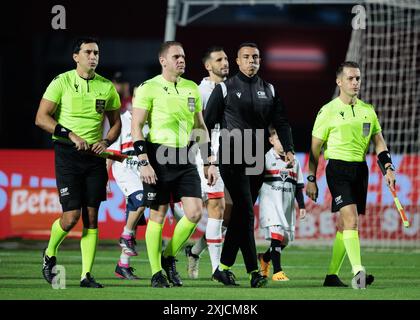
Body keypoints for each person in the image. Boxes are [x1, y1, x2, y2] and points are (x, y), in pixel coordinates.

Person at [204, 42, 295, 288]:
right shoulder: (224, 88)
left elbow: (282, 122)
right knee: (246, 212)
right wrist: (207, 160)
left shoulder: (270, 89)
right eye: (246, 57)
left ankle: (222, 268)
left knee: (241, 217)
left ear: (260, 61)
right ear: (238, 61)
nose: (251, 60)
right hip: (231, 157)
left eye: (255, 57)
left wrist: (288, 149)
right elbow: (203, 126)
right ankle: (254, 271)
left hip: (257, 159)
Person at [35, 37, 122, 288]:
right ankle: (50, 253)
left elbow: (116, 123)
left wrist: (105, 141)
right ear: (76, 57)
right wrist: (70, 135)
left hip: (95, 157)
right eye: (88, 52)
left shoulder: (106, 87)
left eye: (96, 53)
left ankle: (86, 275)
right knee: (71, 217)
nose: (93, 57)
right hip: (67, 154)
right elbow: (41, 118)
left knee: (92, 217)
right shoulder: (61, 82)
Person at [131, 41, 217, 288]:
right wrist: (143, 162)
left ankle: (169, 258)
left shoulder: (191, 88)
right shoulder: (148, 88)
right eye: (176, 56)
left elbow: (200, 127)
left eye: (183, 56)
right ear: (163, 60)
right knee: (158, 215)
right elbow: (136, 126)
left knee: (194, 212)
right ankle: (157, 272)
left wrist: (208, 161)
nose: (182, 60)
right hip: (157, 156)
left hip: (185, 156)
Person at [306, 61, 396, 289]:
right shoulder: (328, 111)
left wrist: (388, 168)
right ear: (339, 82)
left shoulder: (368, 110)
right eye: (350, 78)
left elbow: (378, 142)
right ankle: (359, 272)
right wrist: (311, 178)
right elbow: (315, 149)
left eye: (357, 78)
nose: (355, 82)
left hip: (360, 169)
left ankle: (331, 275)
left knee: (343, 224)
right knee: (351, 220)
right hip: (337, 169)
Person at [184, 46, 233, 279]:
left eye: (226, 58)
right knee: (214, 208)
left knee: (228, 214)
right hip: (205, 158)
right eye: (219, 59)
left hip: (232, 156)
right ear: (208, 65)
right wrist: (205, 159)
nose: (225, 62)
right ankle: (217, 269)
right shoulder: (198, 91)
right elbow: (195, 127)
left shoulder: (233, 89)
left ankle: (194, 251)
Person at [106, 92, 148, 280]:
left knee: (135, 213)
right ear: (132, 99)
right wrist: (104, 177)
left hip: (143, 170)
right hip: (124, 169)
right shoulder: (122, 120)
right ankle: (125, 235)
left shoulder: (150, 121)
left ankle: (123, 265)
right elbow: (112, 152)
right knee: (140, 199)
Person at [257, 127, 306, 281]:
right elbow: (254, 182)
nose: (283, 142)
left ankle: (265, 258)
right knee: (276, 234)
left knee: (284, 239)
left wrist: (302, 206)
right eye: (279, 139)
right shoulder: (265, 158)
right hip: (270, 204)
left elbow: (298, 186)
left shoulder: (294, 161)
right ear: (271, 141)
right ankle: (277, 271)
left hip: (286, 206)